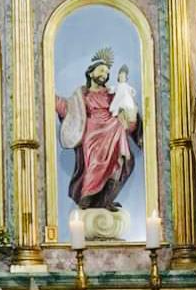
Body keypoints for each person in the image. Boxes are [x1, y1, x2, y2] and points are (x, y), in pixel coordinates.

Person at [55, 47, 140, 212]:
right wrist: (50, 95)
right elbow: (67, 108)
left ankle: (106, 199)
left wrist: (129, 114)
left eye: (107, 72)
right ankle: (87, 195)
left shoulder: (111, 93)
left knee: (120, 162)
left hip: (113, 130)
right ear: (90, 73)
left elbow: (125, 106)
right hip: (92, 133)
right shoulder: (82, 95)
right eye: (101, 70)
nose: (105, 74)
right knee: (95, 164)